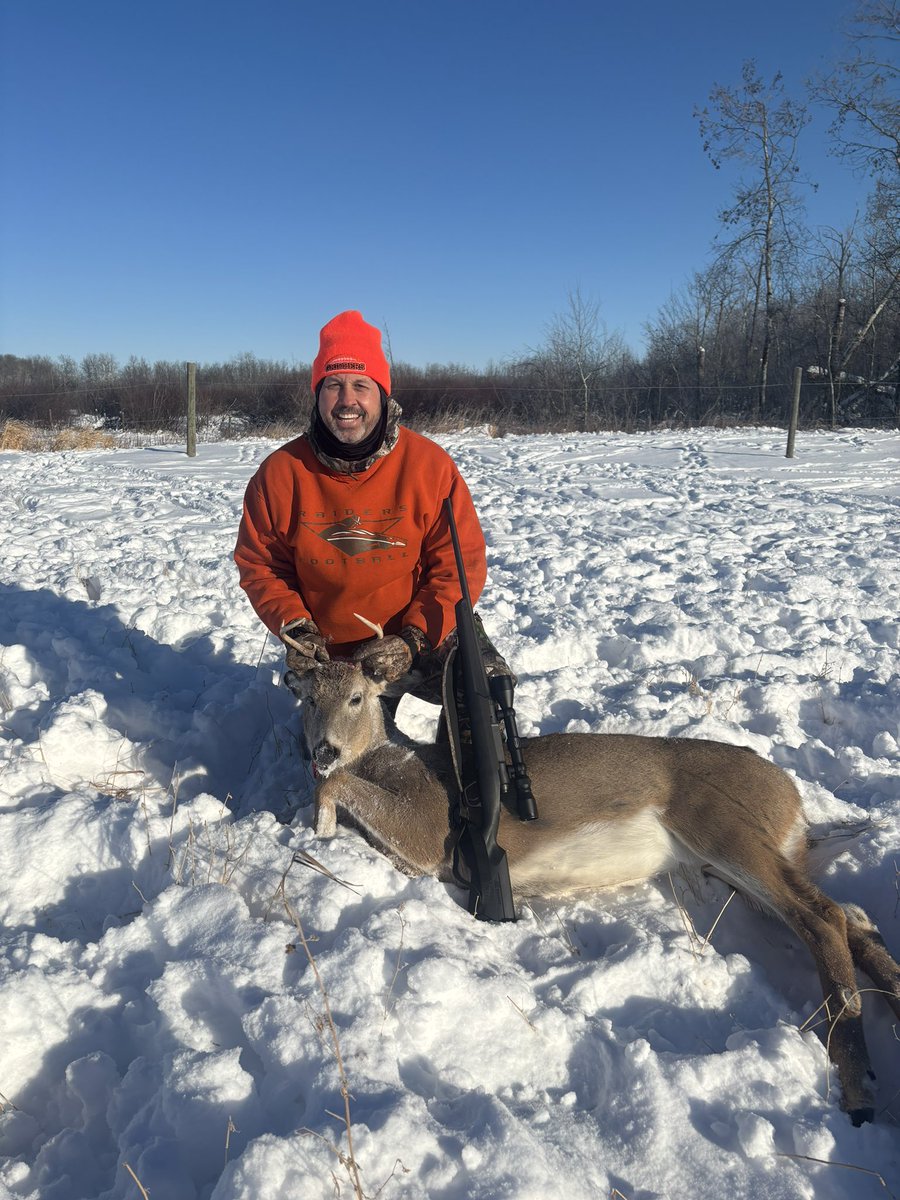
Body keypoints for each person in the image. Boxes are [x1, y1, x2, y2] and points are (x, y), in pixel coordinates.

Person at [234, 310, 510, 694]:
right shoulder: (280, 473)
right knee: (341, 750)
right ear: (317, 394)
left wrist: (413, 640)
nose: (348, 401)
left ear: (382, 393)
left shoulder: (429, 465)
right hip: (331, 651)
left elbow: (457, 566)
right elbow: (261, 566)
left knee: (486, 689)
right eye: (333, 385)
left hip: (416, 637)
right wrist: (297, 626)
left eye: (361, 385)